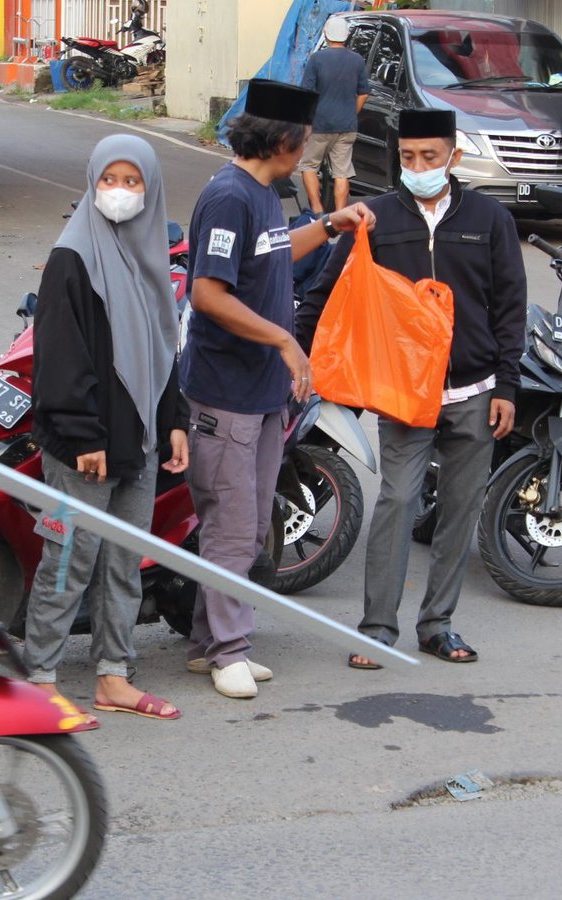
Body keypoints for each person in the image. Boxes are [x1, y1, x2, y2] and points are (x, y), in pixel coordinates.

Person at [296, 108, 527, 669]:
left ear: (454, 156)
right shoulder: (373, 217)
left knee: (459, 507)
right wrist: (300, 358)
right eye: (407, 158)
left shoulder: (490, 219)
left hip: (474, 389)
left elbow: (509, 304)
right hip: (403, 396)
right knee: (398, 501)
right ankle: (377, 628)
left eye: (429, 157)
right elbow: (328, 293)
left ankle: (438, 624)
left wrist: (508, 385)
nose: (417, 167)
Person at [184, 79, 375, 700]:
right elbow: (208, 293)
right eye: (307, 138)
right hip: (226, 393)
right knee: (233, 525)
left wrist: (330, 224)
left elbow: (272, 252)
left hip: (264, 393)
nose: (310, 147)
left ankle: (209, 643)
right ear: (286, 140)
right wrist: (284, 340)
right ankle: (229, 650)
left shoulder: (266, 194)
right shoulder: (228, 197)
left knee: (250, 519)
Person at [25, 134, 189, 722]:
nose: (120, 192)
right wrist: (83, 436)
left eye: (132, 181)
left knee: (124, 565)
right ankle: (40, 677)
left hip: (140, 442)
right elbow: (60, 357)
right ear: (92, 182)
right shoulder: (72, 258)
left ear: (151, 189)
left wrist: (174, 422)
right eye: (109, 180)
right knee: (68, 561)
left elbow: (163, 349)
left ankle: (113, 676)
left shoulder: (149, 259)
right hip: (84, 449)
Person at [297, 16, 369, 214]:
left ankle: (318, 211)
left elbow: (306, 94)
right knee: (342, 172)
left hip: (320, 125)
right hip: (347, 126)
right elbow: (364, 93)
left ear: (326, 34)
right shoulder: (357, 60)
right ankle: (340, 214)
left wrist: (304, 123)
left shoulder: (317, 59)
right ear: (346, 35)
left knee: (309, 166)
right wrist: (351, 112)